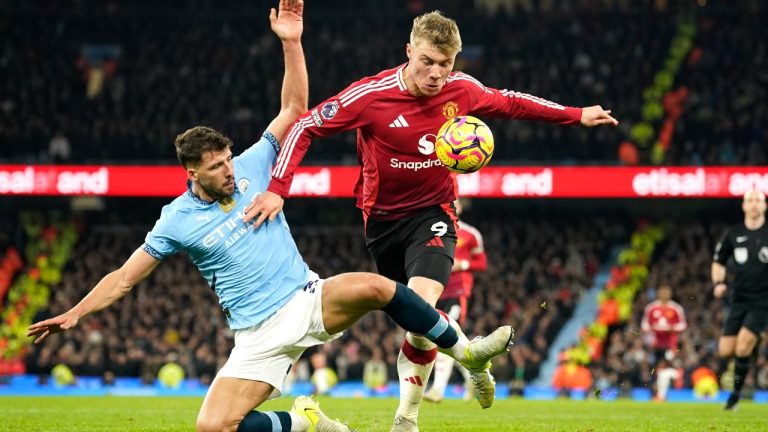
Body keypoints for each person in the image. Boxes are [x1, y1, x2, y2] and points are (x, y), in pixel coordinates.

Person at [26, 3, 514, 431]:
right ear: (192, 173)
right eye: (217, 167)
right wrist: (76, 313)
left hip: (305, 299)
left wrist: (291, 42)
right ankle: (304, 422)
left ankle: (467, 354)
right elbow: (124, 278)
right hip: (255, 334)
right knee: (214, 426)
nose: (229, 171)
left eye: (228, 159)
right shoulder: (175, 219)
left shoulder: (253, 165)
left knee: (378, 288)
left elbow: (295, 109)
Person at [244, 10, 618, 431]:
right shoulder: (371, 95)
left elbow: (512, 102)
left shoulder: (462, 90)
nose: (437, 73)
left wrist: (575, 114)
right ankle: (470, 357)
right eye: (427, 61)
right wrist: (278, 187)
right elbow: (305, 126)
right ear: (409, 51)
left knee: (423, 306)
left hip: (433, 212)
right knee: (417, 323)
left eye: (446, 63)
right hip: (382, 222)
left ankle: (407, 417)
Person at [424, 198, 487, 403]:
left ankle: (437, 390)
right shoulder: (432, 230)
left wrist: (463, 264)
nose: (452, 205)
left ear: (461, 207)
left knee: (444, 337)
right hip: (435, 291)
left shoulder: (470, 234)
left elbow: (482, 263)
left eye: (455, 202)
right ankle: (474, 373)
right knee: (451, 343)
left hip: (457, 291)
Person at [712, 188, 768, 411]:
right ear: (744, 206)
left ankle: (734, 396)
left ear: (764, 205)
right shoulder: (733, 234)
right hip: (738, 298)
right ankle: (755, 344)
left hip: (763, 300)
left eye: (758, 200)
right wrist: (718, 283)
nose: (754, 204)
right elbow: (719, 261)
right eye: (749, 200)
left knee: (742, 348)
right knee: (726, 350)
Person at [640, 284, 687, 401]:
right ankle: (654, 393)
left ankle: (664, 392)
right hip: (655, 344)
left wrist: (672, 328)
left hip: (670, 344)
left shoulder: (676, 308)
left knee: (665, 367)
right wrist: (652, 328)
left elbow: (683, 324)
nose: (664, 294)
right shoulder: (651, 308)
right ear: (658, 293)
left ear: (670, 294)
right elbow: (644, 325)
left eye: (667, 292)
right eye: (662, 291)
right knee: (653, 369)